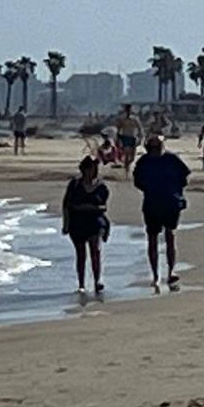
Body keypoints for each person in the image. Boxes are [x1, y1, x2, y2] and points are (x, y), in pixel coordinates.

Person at [133, 136, 190, 289]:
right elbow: (137, 181)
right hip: (152, 203)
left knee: (170, 235)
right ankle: (156, 275)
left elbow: (184, 177)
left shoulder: (172, 159)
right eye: (153, 147)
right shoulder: (144, 162)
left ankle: (171, 271)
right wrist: (150, 189)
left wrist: (175, 191)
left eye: (158, 146)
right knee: (152, 239)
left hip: (171, 202)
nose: (156, 149)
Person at [62, 156, 110, 294]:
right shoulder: (75, 185)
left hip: (95, 222)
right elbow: (66, 204)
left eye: (96, 169)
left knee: (96, 250)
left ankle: (97, 281)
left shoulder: (101, 187)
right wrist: (66, 224)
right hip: (77, 223)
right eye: (91, 169)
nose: (94, 172)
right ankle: (81, 284)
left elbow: (103, 206)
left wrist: (88, 207)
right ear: (84, 170)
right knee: (81, 254)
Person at [114, 105, 143, 170]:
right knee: (127, 155)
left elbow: (139, 128)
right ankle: (126, 170)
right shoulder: (122, 118)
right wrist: (117, 138)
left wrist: (140, 137)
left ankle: (127, 165)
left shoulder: (135, 118)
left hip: (133, 137)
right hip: (125, 137)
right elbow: (118, 128)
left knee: (132, 157)